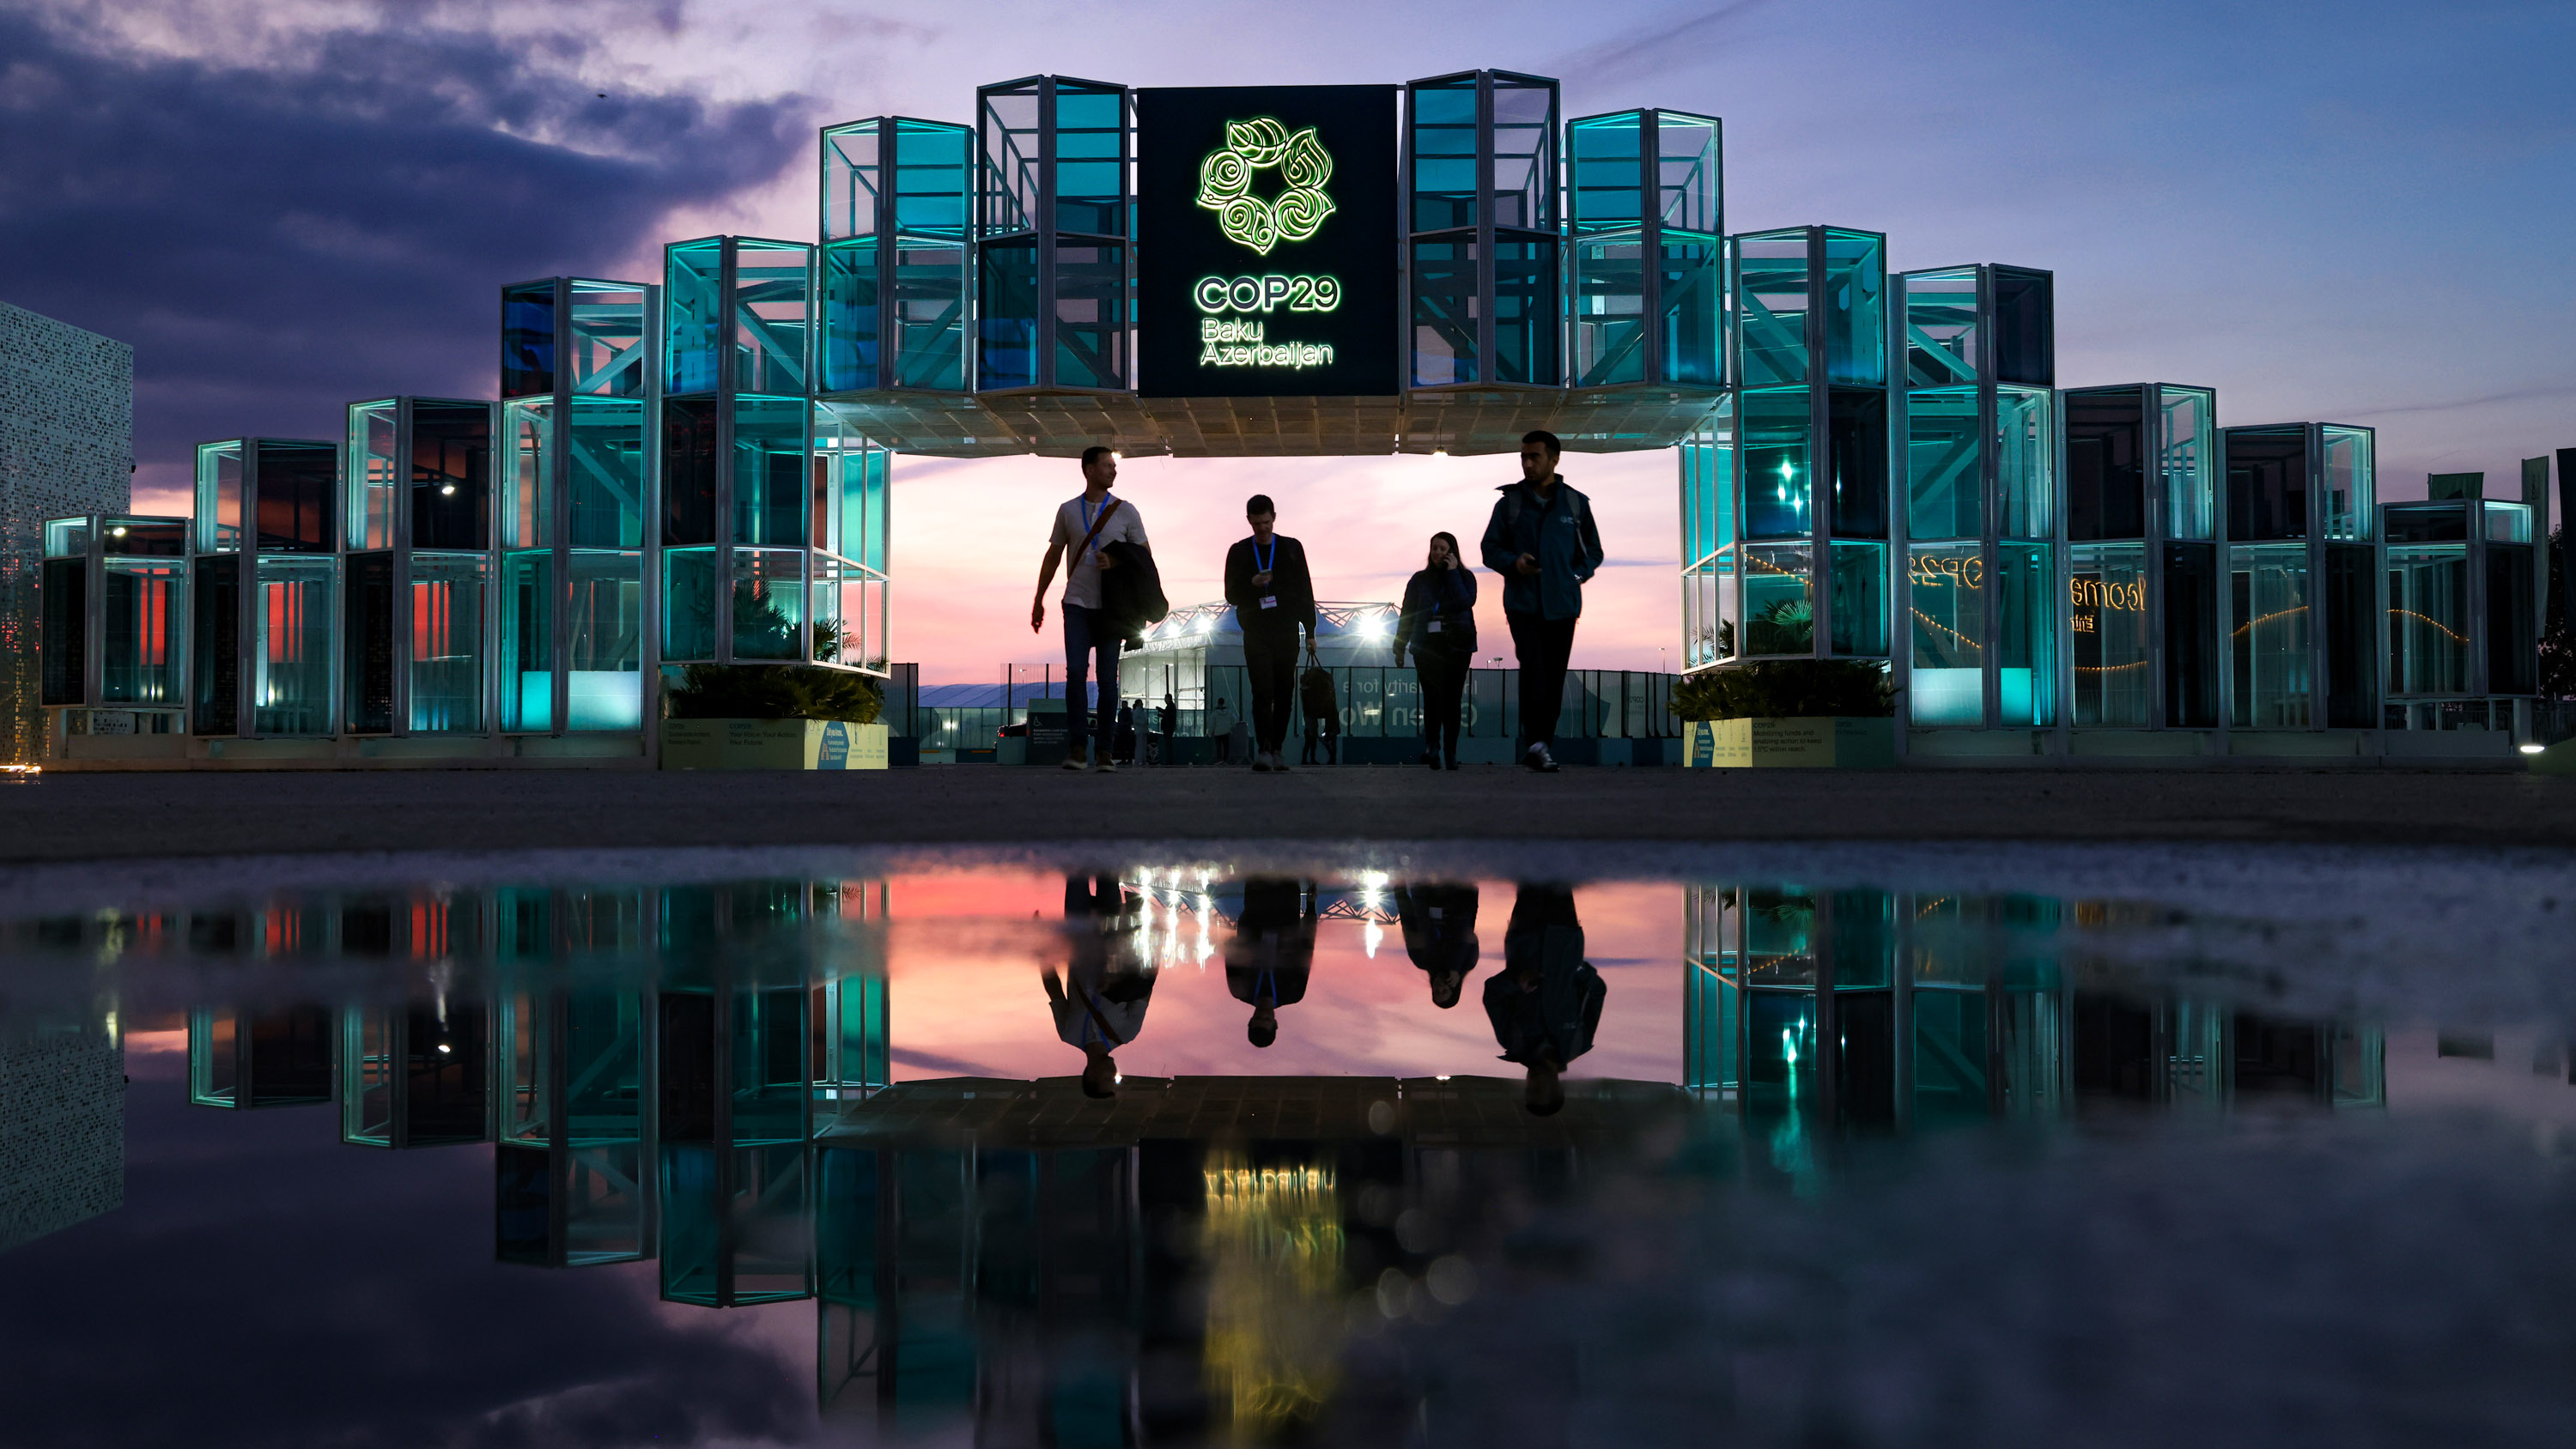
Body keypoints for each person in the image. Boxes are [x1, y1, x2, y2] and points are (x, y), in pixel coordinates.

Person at [1479, 430, 1602, 773]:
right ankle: (1534, 742)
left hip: (1563, 604)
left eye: (1534, 456)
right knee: (1533, 669)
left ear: (1554, 459)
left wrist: (1578, 575)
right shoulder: (1510, 504)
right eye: (1524, 457)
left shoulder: (1576, 504)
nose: (1528, 463)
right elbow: (1490, 549)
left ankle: (1542, 745)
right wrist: (1514, 562)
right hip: (1523, 604)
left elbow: (1593, 551)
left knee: (1553, 677)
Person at [1031, 446, 1150, 773]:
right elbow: (1053, 556)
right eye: (1107, 465)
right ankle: (1078, 748)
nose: (1114, 470)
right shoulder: (1068, 510)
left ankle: (1105, 752)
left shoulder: (1126, 511)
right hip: (1077, 603)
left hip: (1112, 609)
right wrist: (1038, 598)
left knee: (1108, 680)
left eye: (1115, 466)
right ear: (1089, 470)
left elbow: (1144, 559)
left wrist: (1114, 561)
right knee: (1075, 674)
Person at [1483, 883, 1604, 1116]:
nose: (1533, 1083)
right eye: (1540, 1089)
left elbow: (1492, 996)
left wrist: (1517, 981)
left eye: (1530, 1090)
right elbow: (1597, 992)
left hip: (1524, 937)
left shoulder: (1512, 1042)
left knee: (1531, 872)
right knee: (1560, 873)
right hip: (1565, 937)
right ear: (1557, 1089)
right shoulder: (1579, 1042)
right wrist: (1577, 968)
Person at [1223, 494, 1318, 773]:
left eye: (1266, 522)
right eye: (1256, 524)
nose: (1262, 528)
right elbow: (1230, 595)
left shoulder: (1291, 549)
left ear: (1274, 518)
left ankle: (1277, 748)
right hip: (1256, 631)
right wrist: (1251, 583)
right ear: (1249, 521)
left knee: (1285, 691)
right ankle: (1263, 749)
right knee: (1262, 690)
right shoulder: (1239, 552)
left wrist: (1309, 630)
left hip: (1286, 629)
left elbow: (1305, 589)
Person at [1045, 873, 1157, 1098]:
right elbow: (1146, 986)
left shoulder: (1068, 1034)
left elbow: (1054, 989)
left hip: (1079, 936)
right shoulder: (1127, 1032)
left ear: (1090, 1075)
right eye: (1114, 1079)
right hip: (1112, 933)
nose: (1114, 1072)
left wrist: (1042, 952)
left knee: (1076, 873)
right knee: (1108, 873)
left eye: (1108, 1078)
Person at [1394, 530, 1478, 771]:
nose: (1438, 553)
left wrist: (1452, 574)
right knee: (1433, 697)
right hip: (1427, 645)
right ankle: (1432, 747)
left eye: (1443, 549)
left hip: (1457, 644)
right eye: (1434, 548)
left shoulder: (1465, 577)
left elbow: (1465, 602)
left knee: (1453, 699)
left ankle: (1451, 751)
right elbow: (1407, 613)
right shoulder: (1419, 580)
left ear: (1452, 552)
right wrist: (1399, 645)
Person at [1224, 877, 1315, 1048]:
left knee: (1257, 864)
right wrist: (1311, 908)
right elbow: (1306, 951)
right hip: (1287, 914)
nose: (1263, 1014)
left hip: (1256, 913)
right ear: (1275, 1023)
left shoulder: (1240, 990)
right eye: (1267, 1019)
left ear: (1250, 1020)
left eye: (1258, 1018)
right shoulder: (1293, 993)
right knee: (1288, 865)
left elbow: (1231, 949)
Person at [1394, 881, 1480, 1009]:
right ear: (1455, 988)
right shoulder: (1468, 963)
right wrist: (1455, 966)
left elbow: (1408, 923)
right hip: (1460, 892)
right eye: (1444, 991)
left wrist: (1399, 891)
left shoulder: (1420, 959)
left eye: (1436, 992)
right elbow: (1467, 936)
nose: (1440, 987)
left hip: (1424, 892)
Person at [1208, 695, 1235, 766]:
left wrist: (1210, 733)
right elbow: (1234, 720)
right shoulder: (1229, 712)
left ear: (1218, 703)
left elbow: (1212, 724)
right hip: (1226, 732)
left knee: (1218, 747)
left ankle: (1219, 759)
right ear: (1224, 703)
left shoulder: (1215, 713)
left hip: (1217, 732)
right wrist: (1231, 727)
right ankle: (1226, 760)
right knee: (1226, 746)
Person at [1158, 691, 1177, 768]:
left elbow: (1168, 716)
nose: (1165, 700)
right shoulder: (1171, 706)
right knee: (1168, 744)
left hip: (1168, 728)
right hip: (1169, 727)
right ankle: (1169, 760)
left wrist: (1162, 714)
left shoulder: (1170, 706)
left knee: (1168, 744)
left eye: (1165, 698)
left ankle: (1169, 761)